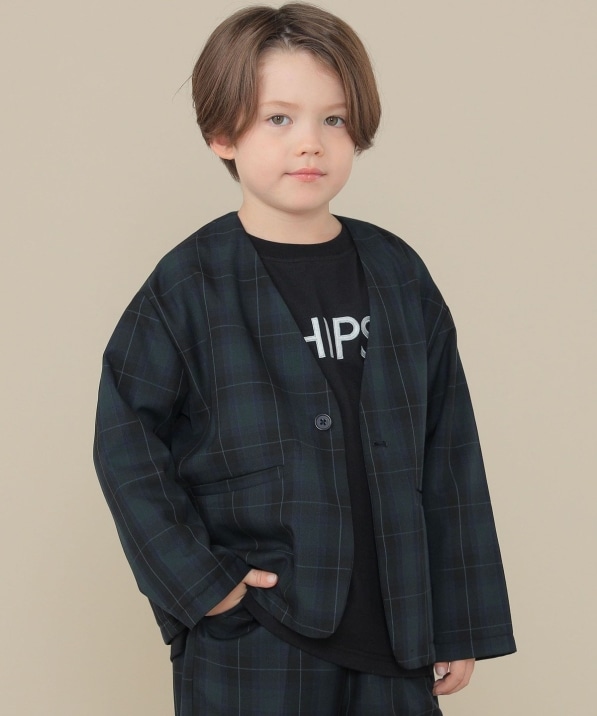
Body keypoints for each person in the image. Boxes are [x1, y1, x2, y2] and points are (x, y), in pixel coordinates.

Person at [93, 4, 515, 714]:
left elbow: (449, 450)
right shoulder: (188, 285)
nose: (310, 144)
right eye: (278, 119)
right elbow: (124, 443)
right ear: (222, 133)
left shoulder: (398, 274)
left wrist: (459, 618)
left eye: (334, 119)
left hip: (398, 631)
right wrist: (204, 586)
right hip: (260, 632)